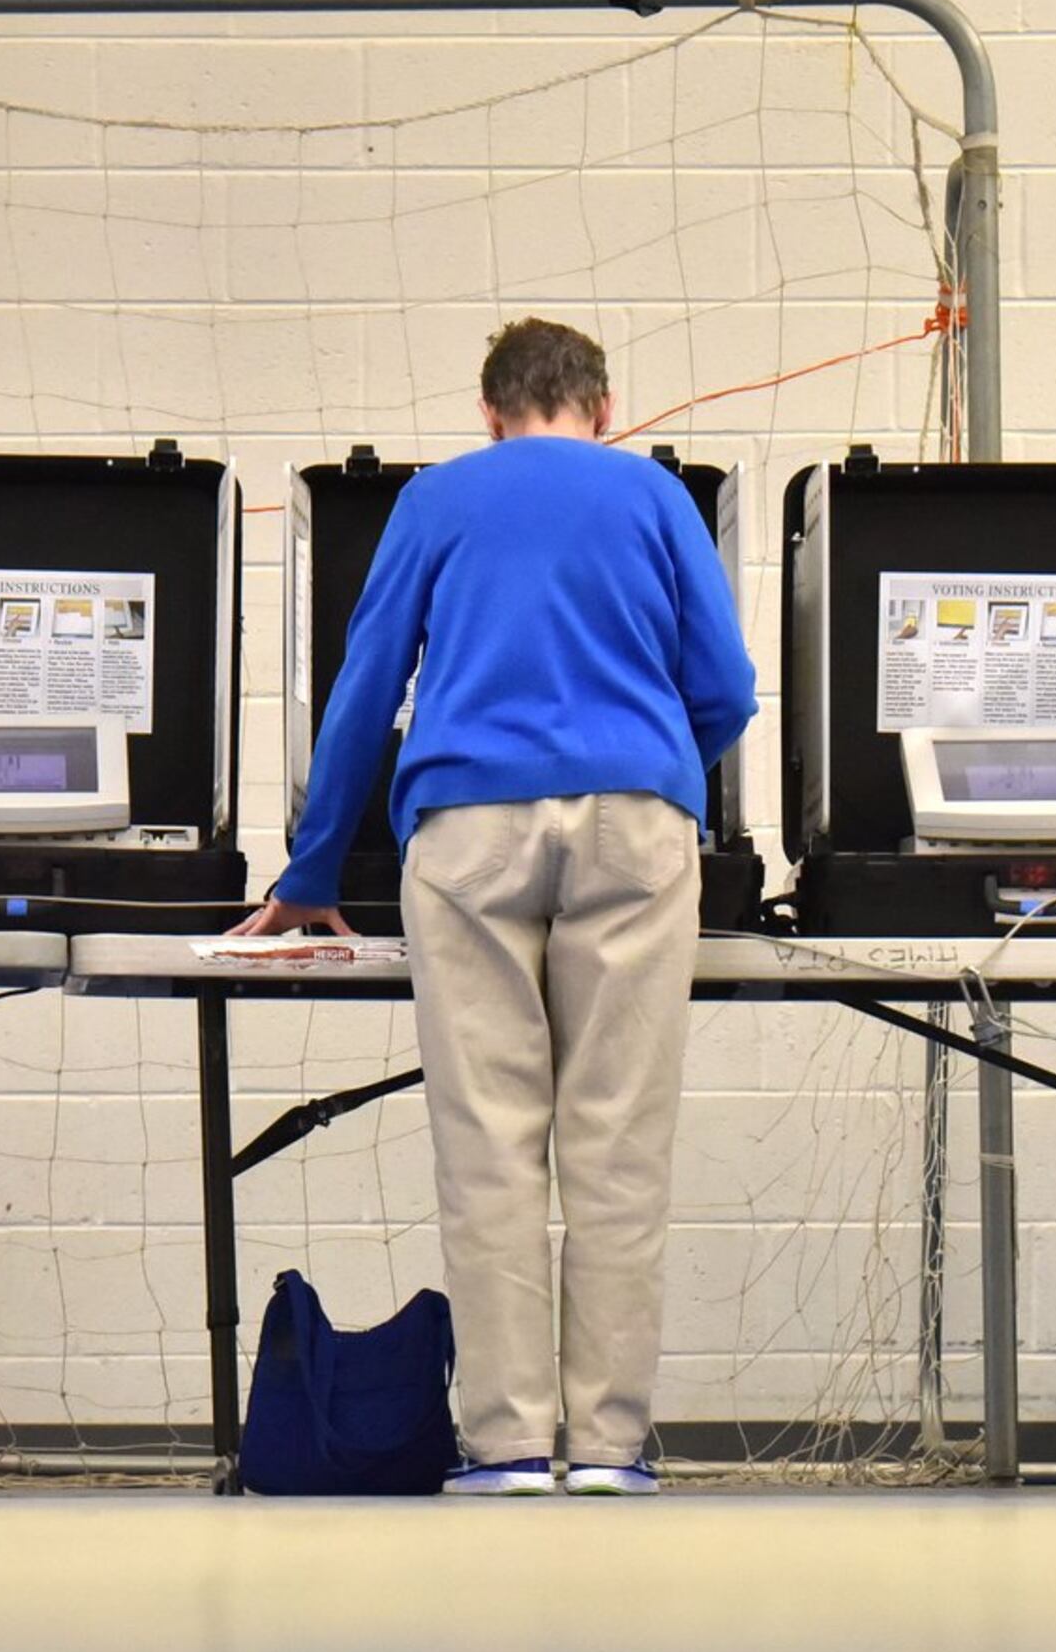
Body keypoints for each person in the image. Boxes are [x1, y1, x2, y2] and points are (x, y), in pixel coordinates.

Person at [234, 318, 756, 1495]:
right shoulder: (655, 497)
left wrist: (312, 871)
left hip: (468, 831)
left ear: (490, 411)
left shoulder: (437, 498)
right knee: (618, 1148)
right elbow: (725, 685)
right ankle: (612, 1449)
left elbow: (366, 685)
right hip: (635, 824)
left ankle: (511, 1443)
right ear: (606, 406)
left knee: (490, 1145)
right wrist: (663, 754)